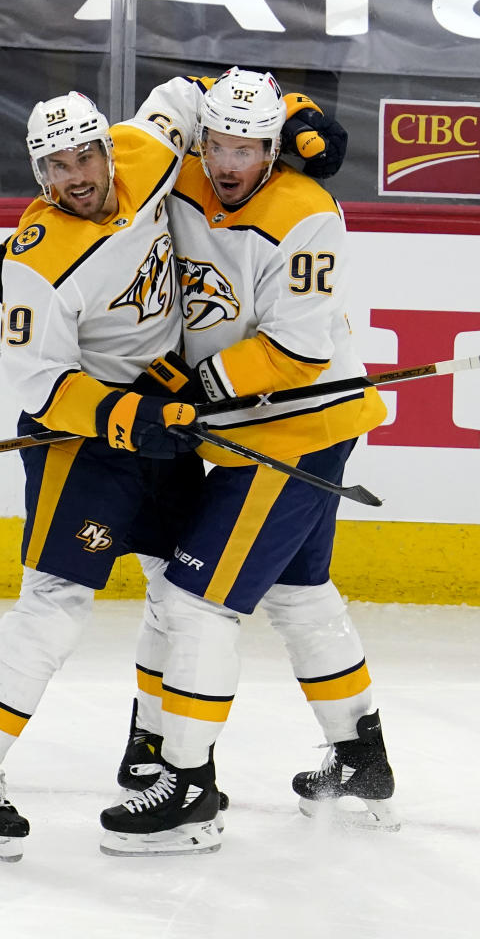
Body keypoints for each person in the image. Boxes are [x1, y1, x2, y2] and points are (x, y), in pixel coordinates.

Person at [0, 79, 343, 861]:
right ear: (37, 174)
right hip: (86, 441)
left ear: (106, 145)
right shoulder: (37, 265)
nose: (78, 175)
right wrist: (125, 417)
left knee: (172, 591)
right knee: (54, 605)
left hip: (166, 420)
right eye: (56, 166)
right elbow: (38, 384)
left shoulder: (146, 151)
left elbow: (193, 93)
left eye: (86, 153)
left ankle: (156, 752)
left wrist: (297, 112)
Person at [100, 68, 397, 857]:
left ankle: (188, 790)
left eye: (250, 146)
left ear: (272, 149)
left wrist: (192, 385)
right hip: (245, 427)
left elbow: (298, 349)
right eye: (220, 142)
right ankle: (362, 760)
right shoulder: (181, 171)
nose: (231, 161)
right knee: (301, 595)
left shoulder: (307, 213)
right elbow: (164, 103)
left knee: (196, 602)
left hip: (292, 429)